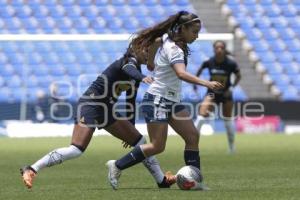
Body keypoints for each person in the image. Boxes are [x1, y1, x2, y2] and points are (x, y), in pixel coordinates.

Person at [20, 34, 177, 189]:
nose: (151, 55)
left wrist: (131, 126)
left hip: (106, 108)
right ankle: (31, 169)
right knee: (76, 150)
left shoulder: (136, 71)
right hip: (90, 104)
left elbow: (130, 101)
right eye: (149, 51)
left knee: (140, 142)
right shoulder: (128, 62)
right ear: (139, 48)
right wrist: (142, 77)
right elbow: (128, 69)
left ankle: (161, 180)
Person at [106, 11, 223, 190]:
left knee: (192, 136)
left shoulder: (168, 39)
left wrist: (151, 61)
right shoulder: (174, 49)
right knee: (157, 146)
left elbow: (154, 42)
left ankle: (195, 182)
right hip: (157, 100)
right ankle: (117, 165)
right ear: (182, 29)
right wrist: (206, 83)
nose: (197, 36)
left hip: (172, 100)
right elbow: (181, 73)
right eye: (194, 32)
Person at [193, 40, 241, 154]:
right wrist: (196, 84)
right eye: (217, 48)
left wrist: (231, 88)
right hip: (212, 93)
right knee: (201, 115)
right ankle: (192, 145)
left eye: (221, 48)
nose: (219, 50)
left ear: (224, 50)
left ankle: (231, 147)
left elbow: (239, 76)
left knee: (227, 120)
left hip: (225, 94)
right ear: (214, 49)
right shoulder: (209, 62)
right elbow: (198, 73)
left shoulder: (231, 64)